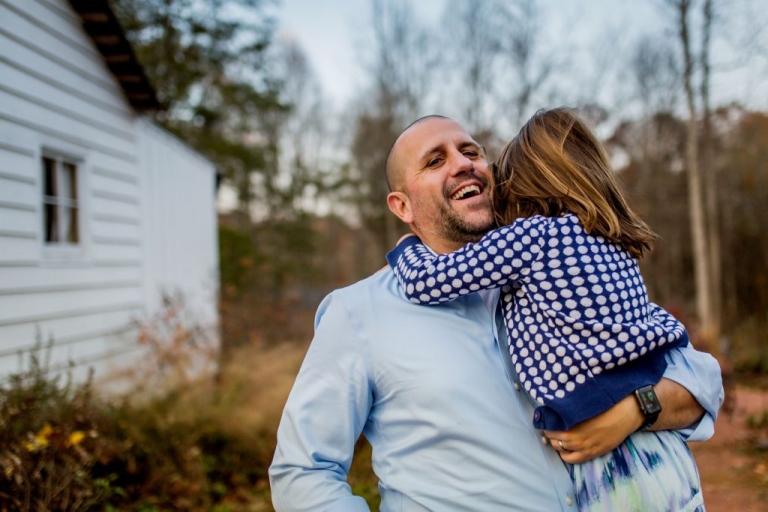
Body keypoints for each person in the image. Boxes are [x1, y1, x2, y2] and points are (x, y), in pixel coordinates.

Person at [269, 115, 723, 511]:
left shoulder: (563, 267)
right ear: (401, 205)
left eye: (471, 151)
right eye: (435, 160)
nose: (462, 163)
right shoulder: (357, 314)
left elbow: (699, 378)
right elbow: (303, 470)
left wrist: (637, 409)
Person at [386, 108, 703, 511]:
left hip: (609, 472)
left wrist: (405, 251)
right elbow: (665, 340)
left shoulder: (531, 240)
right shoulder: (612, 245)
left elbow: (424, 282)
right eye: (435, 159)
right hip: (668, 460)